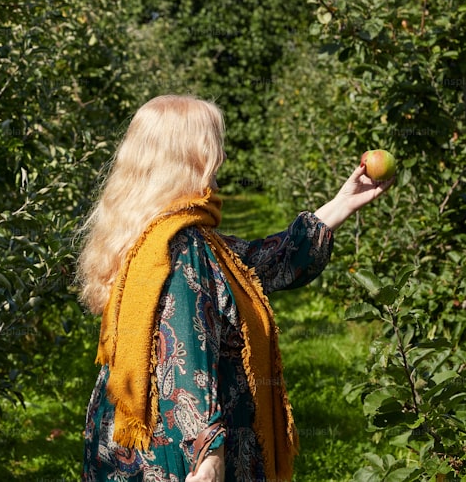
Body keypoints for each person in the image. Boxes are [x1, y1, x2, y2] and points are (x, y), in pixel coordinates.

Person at [77, 94, 392, 482]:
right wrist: (208, 456)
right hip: (178, 454)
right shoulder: (182, 248)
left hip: (128, 444)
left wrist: (342, 204)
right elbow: (184, 353)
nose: (221, 159)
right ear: (190, 157)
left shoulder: (149, 235)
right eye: (213, 147)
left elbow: (261, 263)